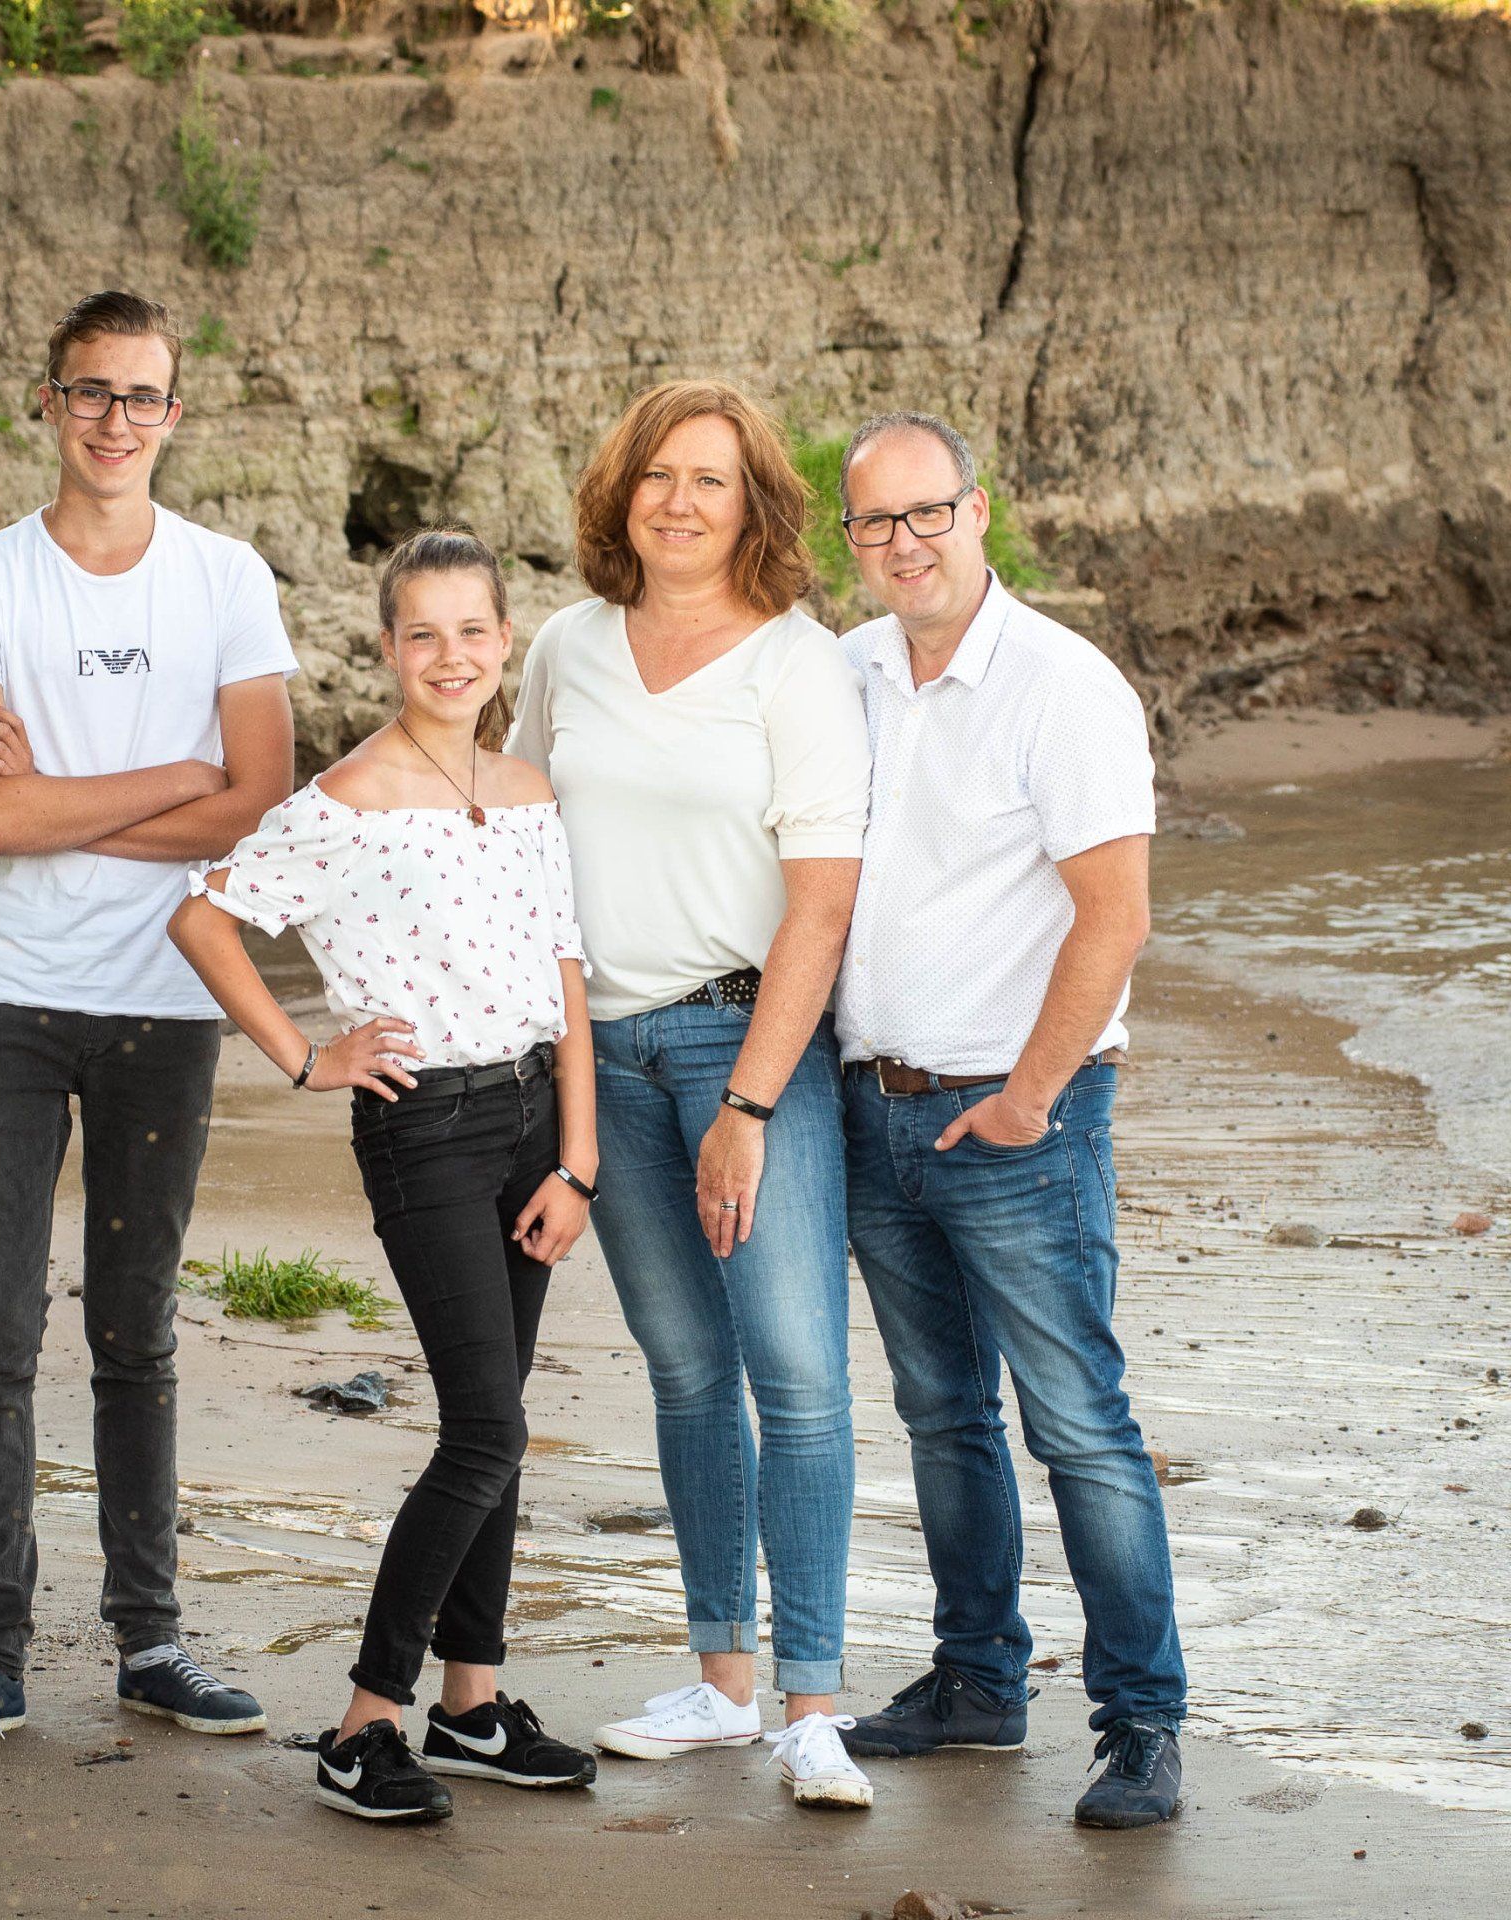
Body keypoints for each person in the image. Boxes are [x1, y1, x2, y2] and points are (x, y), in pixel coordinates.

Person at [0, 290, 297, 1756]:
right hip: (3, 992)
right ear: (47, 405)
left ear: (173, 416)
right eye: (91, 393)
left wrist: (64, 808)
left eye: (143, 397)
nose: (117, 420)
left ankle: (152, 1644)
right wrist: (164, 782)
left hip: (163, 1000)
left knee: (137, 1330)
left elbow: (258, 797)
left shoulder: (225, 577)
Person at [169, 525, 600, 1824]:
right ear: (388, 647)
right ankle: (366, 1724)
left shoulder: (526, 791)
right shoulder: (346, 803)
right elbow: (202, 914)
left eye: (474, 631)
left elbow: (567, 977)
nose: (451, 655)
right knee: (484, 1427)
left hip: (536, 1124)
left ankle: (471, 1704)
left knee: (502, 1423)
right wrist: (308, 1056)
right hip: (423, 1128)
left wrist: (579, 1158)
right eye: (424, 634)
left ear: (504, 640)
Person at [509, 380, 874, 1810]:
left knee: (797, 1372)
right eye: (657, 475)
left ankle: (813, 1707)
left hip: (745, 1052)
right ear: (622, 493)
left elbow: (822, 906)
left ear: (756, 506)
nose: (678, 501)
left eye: (710, 481)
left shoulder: (800, 667)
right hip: (600, 1052)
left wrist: (756, 1104)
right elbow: (515, 841)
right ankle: (723, 1684)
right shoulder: (565, 647)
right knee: (683, 1366)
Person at [830, 410, 1188, 1829]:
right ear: (849, 542)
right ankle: (978, 1682)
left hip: (1020, 1118)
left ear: (980, 513)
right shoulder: (850, 670)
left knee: (1079, 1424)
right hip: (876, 1102)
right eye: (876, 524)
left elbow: (1118, 913)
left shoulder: (1063, 685)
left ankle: (1145, 1721)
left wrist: (1031, 1097)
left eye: (929, 514)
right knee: (940, 1415)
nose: (905, 543)